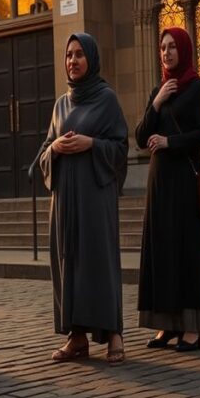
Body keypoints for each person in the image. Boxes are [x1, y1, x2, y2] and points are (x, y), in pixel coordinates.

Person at [37, 33, 128, 364]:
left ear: (91, 58)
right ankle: (76, 337)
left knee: (99, 262)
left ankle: (113, 333)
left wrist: (92, 144)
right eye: (68, 55)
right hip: (64, 203)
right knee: (69, 263)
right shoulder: (61, 104)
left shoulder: (107, 100)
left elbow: (120, 149)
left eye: (79, 55)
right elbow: (45, 150)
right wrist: (55, 148)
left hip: (94, 198)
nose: (72, 61)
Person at [135, 26, 200, 352]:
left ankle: (192, 328)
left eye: (171, 47)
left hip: (183, 181)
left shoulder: (197, 88)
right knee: (161, 252)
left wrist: (170, 141)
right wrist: (155, 103)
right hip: (158, 183)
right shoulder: (160, 90)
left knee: (185, 252)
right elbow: (140, 138)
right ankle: (166, 326)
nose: (166, 52)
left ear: (183, 49)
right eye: (162, 47)